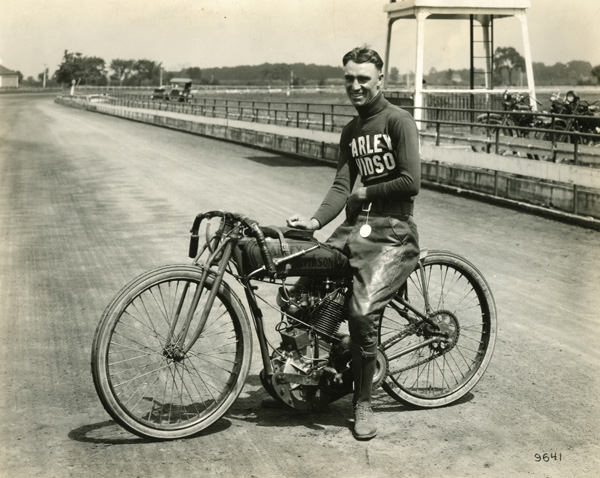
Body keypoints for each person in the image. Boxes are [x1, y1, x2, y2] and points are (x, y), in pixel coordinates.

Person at [286, 46, 421, 440]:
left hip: (394, 230)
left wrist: (368, 194)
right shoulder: (351, 130)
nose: (356, 85)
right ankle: (314, 376)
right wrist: (312, 222)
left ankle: (363, 401)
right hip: (353, 230)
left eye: (364, 78)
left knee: (362, 315)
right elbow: (341, 186)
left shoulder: (399, 121)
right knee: (299, 292)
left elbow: (412, 182)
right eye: (349, 78)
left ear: (381, 79)